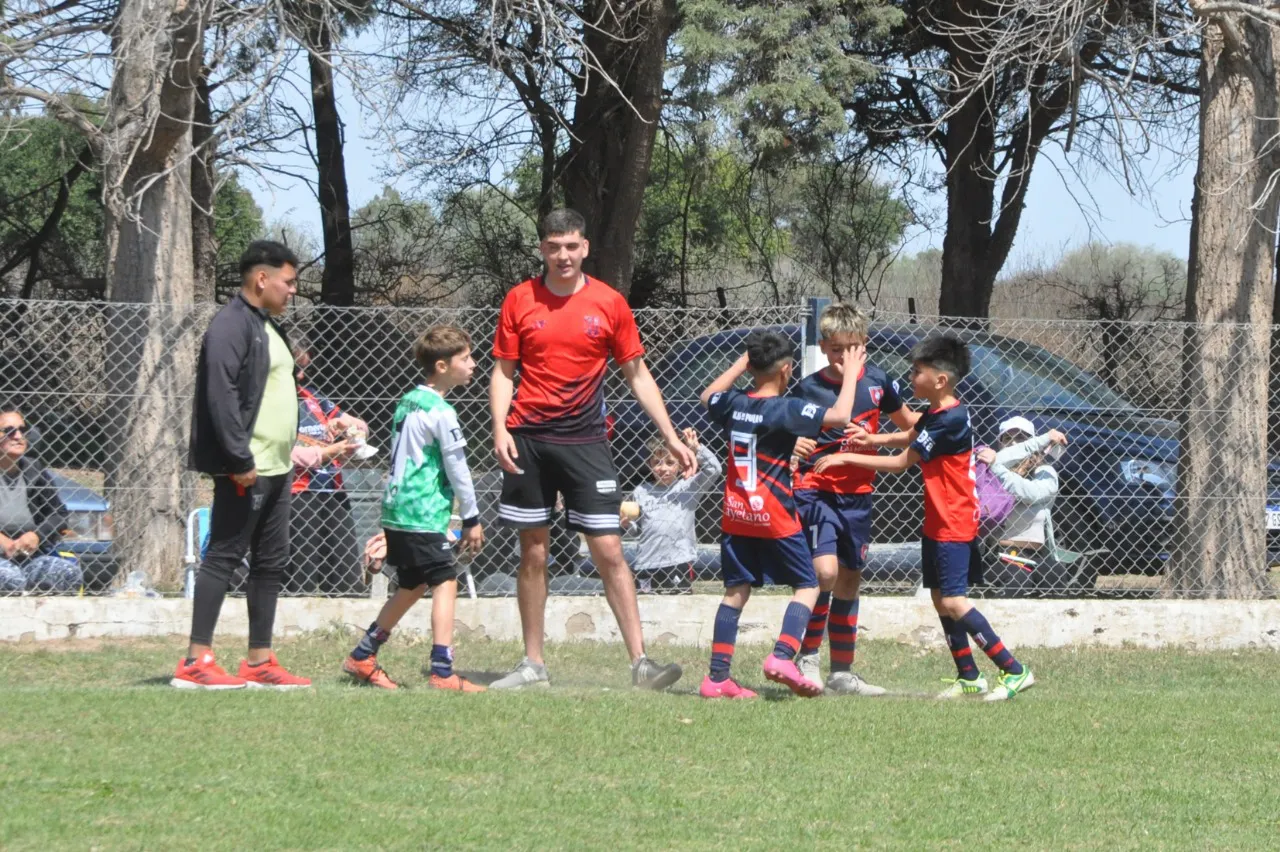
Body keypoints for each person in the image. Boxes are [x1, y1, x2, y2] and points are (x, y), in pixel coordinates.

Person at [489, 207, 693, 691]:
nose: (563, 255)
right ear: (543, 249)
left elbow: (637, 374)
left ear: (585, 248)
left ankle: (641, 663)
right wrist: (499, 428)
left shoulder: (609, 302)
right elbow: (503, 371)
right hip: (529, 441)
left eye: (572, 246)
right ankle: (532, 665)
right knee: (534, 553)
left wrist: (667, 434)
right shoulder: (519, 299)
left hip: (586, 442)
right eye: (554, 246)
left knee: (609, 550)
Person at [813, 334, 1035, 701]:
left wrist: (846, 457)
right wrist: (872, 440)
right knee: (938, 597)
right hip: (937, 520)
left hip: (955, 521)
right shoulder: (936, 412)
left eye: (916, 372)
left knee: (953, 600)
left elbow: (903, 463)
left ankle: (1014, 670)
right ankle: (969, 676)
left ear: (940, 380)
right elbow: (912, 435)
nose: (909, 378)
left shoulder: (952, 419)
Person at [172, 240, 310, 690]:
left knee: (271, 561)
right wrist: (239, 459)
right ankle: (195, 660)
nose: (292, 291)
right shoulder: (230, 325)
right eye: (288, 282)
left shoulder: (268, 326)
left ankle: (259, 660)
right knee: (224, 557)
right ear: (261, 278)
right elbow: (221, 395)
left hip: (278, 467)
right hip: (246, 468)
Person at [697, 330, 859, 699]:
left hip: (736, 515)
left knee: (736, 591)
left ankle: (717, 678)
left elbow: (708, 396)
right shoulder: (786, 409)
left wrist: (743, 362)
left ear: (752, 366)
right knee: (808, 585)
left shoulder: (733, 403)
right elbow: (841, 415)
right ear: (787, 369)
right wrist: (850, 372)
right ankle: (783, 656)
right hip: (774, 515)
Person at [342, 325, 487, 691]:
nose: (473, 364)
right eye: (465, 358)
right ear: (442, 366)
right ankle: (442, 671)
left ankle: (362, 656)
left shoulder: (407, 400)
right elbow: (457, 468)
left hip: (396, 507)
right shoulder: (442, 411)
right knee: (445, 580)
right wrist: (471, 517)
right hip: (420, 511)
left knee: (412, 583)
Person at [788, 303, 919, 696]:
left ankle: (842, 672)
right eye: (834, 349)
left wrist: (936, 428)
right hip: (816, 490)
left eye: (851, 348)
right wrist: (796, 444)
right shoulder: (810, 387)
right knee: (824, 573)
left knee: (848, 578)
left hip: (858, 495)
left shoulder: (879, 381)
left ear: (864, 345)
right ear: (824, 346)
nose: (842, 356)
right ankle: (807, 658)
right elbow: (787, 430)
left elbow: (909, 426)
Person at [286, 337, 366, 595]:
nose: (301, 374)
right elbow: (280, 452)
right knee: (302, 572)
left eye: (304, 368)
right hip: (297, 491)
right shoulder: (272, 402)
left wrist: (349, 429)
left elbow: (362, 426)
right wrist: (326, 453)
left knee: (347, 572)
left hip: (332, 489)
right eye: (296, 367)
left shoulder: (313, 398)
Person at [622, 428, 721, 594]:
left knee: (679, 606)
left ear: (680, 464)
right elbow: (636, 529)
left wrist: (696, 448)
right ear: (649, 464)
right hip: (646, 562)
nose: (663, 468)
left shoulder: (689, 487)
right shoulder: (641, 491)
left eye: (669, 462)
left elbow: (714, 469)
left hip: (678, 561)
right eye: (657, 462)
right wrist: (626, 526)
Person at [976, 417, 1069, 588]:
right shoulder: (990, 475)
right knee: (1018, 580)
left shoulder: (1045, 472)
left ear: (1032, 442)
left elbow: (1032, 493)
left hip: (1036, 555)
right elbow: (999, 460)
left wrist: (998, 467)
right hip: (1000, 555)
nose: (1013, 443)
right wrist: (997, 465)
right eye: (1007, 438)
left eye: (1020, 438)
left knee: (1055, 576)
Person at [0, 405, 80, 593]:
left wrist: (36, 535)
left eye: (22, 430)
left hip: (30, 557)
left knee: (67, 573)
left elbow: (58, 513)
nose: (18, 436)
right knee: (10, 579)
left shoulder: (34, 470)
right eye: (9, 431)